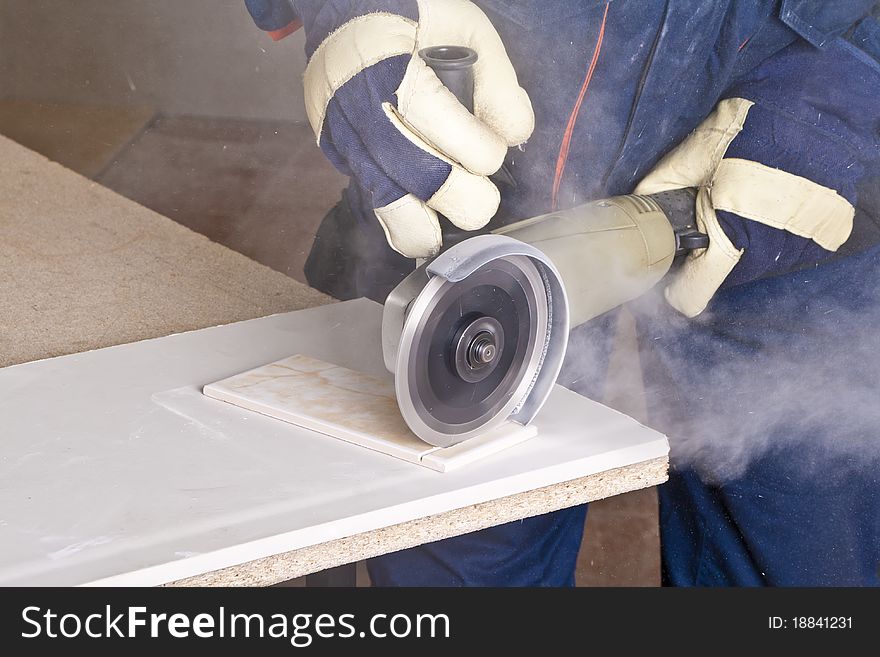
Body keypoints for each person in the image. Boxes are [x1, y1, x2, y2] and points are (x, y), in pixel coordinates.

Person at [246, 0, 880, 586]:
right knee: (458, 541)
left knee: (806, 562)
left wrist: (856, 85)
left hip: (802, 126)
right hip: (474, 137)